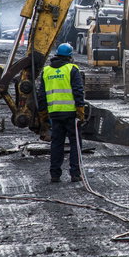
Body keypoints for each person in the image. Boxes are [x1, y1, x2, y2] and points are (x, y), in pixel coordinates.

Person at [37, 43, 86, 183]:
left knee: (56, 144)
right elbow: (78, 91)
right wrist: (80, 109)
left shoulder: (46, 71)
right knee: (75, 144)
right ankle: (75, 174)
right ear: (70, 57)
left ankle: (55, 174)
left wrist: (43, 113)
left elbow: (41, 95)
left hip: (54, 114)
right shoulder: (72, 69)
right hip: (71, 114)